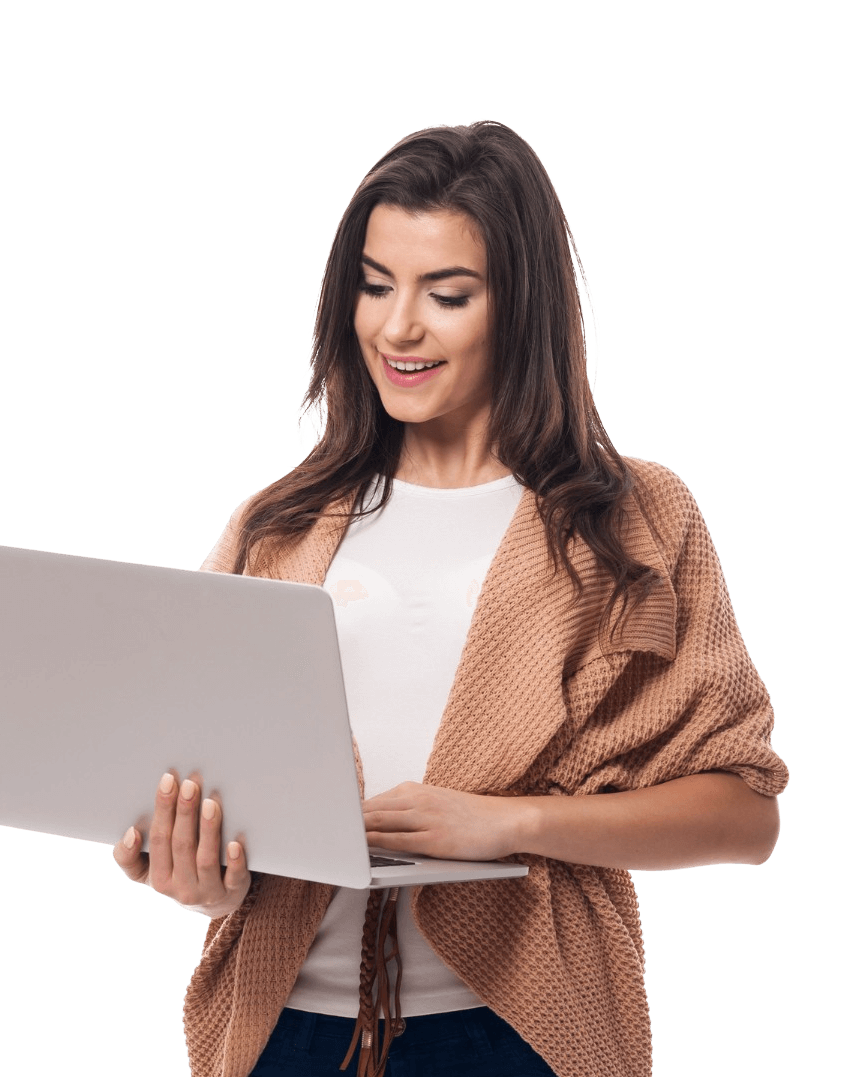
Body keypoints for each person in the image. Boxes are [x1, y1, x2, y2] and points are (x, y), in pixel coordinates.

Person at [112, 121, 787, 1077]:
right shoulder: (276, 523)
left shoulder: (632, 515)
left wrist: (508, 823)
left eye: (448, 294)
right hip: (284, 1031)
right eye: (374, 285)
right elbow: (203, 781)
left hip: (516, 1032)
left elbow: (744, 812)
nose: (398, 328)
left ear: (522, 306)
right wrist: (198, 877)